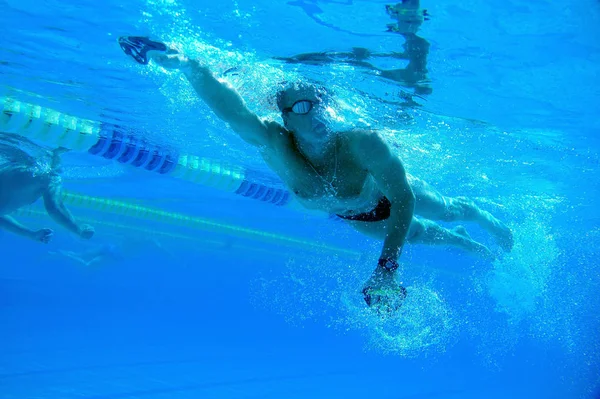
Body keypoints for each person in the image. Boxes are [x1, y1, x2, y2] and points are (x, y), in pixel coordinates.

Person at [117, 33, 513, 313]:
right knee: (430, 237)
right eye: (302, 107)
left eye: (319, 102)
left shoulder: (363, 143)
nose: (317, 112)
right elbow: (233, 111)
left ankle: (481, 219)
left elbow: (404, 199)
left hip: (391, 195)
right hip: (362, 217)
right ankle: (470, 246)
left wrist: (386, 268)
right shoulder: (277, 145)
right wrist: (188, 65)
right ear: (286, 119)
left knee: (448, 210)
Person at [0, 134, 95, 243]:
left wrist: (78, 230)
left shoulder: (49, 177)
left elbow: (54, 209)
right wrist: (31, 234)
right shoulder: (39, 173)